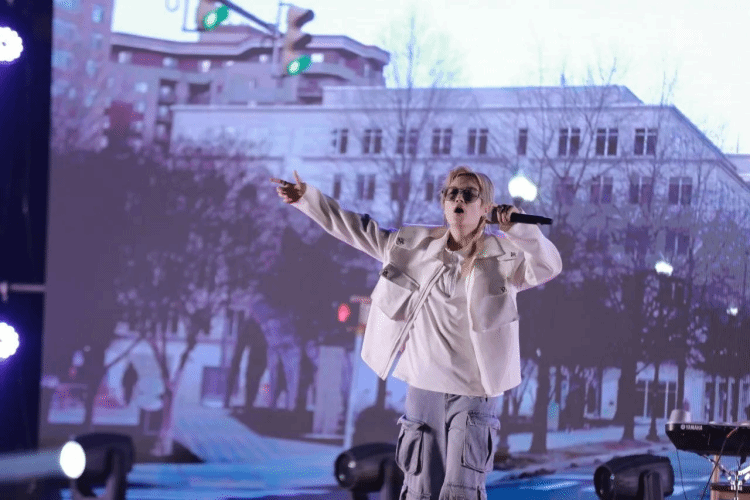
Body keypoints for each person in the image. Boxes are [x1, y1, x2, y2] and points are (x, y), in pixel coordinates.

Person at [271, 166, 562, 500]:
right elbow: (356, 229)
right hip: (424, 388)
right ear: (444, 203)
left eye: (469, 194)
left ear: (485, 208)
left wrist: (520, 229)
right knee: (420, 489)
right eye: (452, 193)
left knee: (462, 492)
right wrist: (307, 199)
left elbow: (548, 266)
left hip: (474, 393)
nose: (458, 199)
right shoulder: (413, 247)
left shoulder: (504, 257)